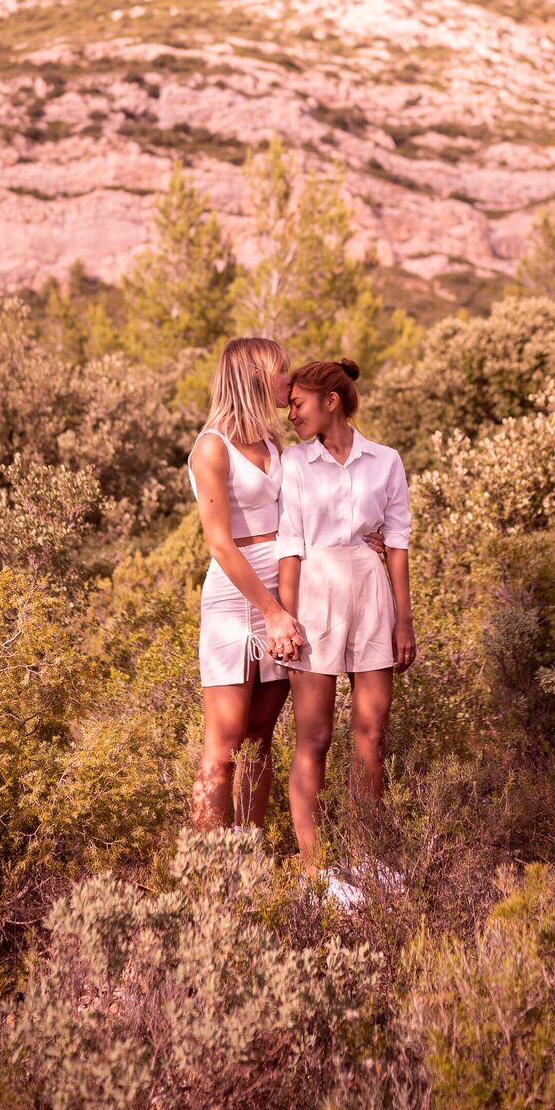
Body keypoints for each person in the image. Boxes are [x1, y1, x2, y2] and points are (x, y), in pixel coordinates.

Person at [278, 358, 416, 879]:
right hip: (314, 591)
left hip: (371, 593)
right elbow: (289, 543)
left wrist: (404, 619)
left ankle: (368, 861)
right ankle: (315, 872)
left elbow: (397, 542)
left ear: (329, 401)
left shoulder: (385, 461)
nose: (290, 413)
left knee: (371, 736)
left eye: (298, 403)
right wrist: (286, 619)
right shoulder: (293, 463)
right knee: (313, 739)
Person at [188, 336, 304, 829]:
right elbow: (220, 544)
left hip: (282, 593)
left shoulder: (275, 443)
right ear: (256, 377)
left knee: (261, 736)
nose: (289, 381)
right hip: (236, 602)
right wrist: (272, 613)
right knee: (225, 740)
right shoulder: (212, 448)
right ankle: (209, 874)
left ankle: (249, 862)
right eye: (282, 372)